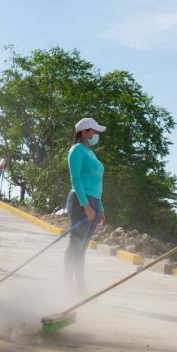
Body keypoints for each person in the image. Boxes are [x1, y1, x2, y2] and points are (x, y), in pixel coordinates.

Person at [65, 118, 106, 292]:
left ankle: (79, 285)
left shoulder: (91, 153)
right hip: (80, 201)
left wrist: (100, 207)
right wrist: (86, 205)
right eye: (93, 131)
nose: (96, 135)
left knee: (83, 246)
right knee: (76, 244)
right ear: (83, 132)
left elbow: (96, 183)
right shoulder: (77, 150)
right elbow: (76, 179)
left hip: (94, 202)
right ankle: (66, 285)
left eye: (96, 132)